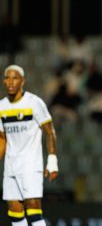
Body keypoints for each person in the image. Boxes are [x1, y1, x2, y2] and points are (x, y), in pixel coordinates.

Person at [0, 65, 59, 226]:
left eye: (15, 78)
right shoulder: (1, 107)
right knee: (14, 211)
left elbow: (49, 132)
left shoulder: (34, 103)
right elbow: (2, 139)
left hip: (30, 164)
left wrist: (52, 161)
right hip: (11, 166)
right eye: (7, 78)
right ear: (4, 81)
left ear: (22, 81)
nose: (11, 82)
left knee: (33, 208)